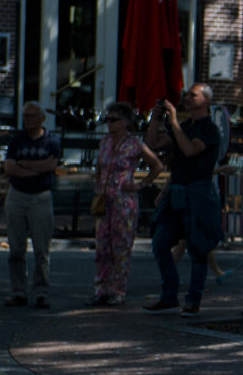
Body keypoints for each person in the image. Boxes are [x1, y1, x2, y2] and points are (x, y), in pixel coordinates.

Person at [144, 84, 223, 316]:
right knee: (160, 243)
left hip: (198, 194)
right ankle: (169, 296)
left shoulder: (209, 129)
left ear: (206, 100)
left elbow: (189, 150)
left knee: (198, 248)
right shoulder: (185, 126)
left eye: (193, 95)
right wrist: (156, 120)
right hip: (176, 192)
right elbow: (153, 145)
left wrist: (175, 121)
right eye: (186, 94)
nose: (187, 98)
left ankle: (193, 300)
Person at [90, 102, 163, 306]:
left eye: (114, 120)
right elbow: (99, 168)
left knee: (120, 247)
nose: (109, 123)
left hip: (124, 201)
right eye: (108, 119)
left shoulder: (134, 144)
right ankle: (101, 289)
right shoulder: (104, 142)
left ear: (125, 122)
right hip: (105, 200)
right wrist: (97, 188)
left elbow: (157, 165)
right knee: (102, 247)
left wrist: (141, 184)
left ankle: (118, 290)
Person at [3, 101, 62, 309]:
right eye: (25, 116)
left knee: (41, 250)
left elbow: (51, 165)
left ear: (42, 118)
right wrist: (38, 168)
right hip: (17, 195)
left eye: (32, 116)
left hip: (41, 197)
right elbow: (9, 168)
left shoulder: (52, 141)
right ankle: (18, 291)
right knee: (16, 249)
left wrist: (24, 165)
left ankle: (41, 292)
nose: (27, 120)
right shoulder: (17, 140)